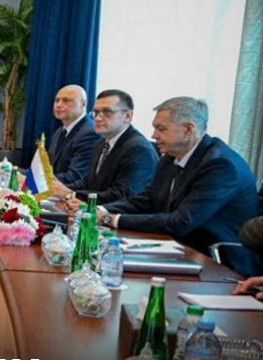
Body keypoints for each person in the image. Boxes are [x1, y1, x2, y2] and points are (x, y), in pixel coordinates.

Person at [100, 97, 259, 276]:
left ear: (188, 129)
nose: (153, 135)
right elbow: (147, 200)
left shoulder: (220, 165)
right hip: (177, 249)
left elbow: (181, 222)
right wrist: (100, 210)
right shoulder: (169, 158)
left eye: (161, 128)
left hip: (220, 264)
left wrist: (111, 219)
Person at [50, 89, 158, 209]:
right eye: (96, 112)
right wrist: (58, 189)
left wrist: (70, 194)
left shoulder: (138, 149)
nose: (98, 118)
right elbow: (89, 182)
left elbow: (122, 195)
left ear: (127, 116)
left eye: (107, 112)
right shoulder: (101, 143)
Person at [47, 84, 101, 187]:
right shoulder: (59, 132)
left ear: (83, 103)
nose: (59, 105)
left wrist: (32, 180)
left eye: (66, 100)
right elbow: (46, 168)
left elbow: (75, 176)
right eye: (57, 100)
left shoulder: (90, 133)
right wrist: (18, 172)